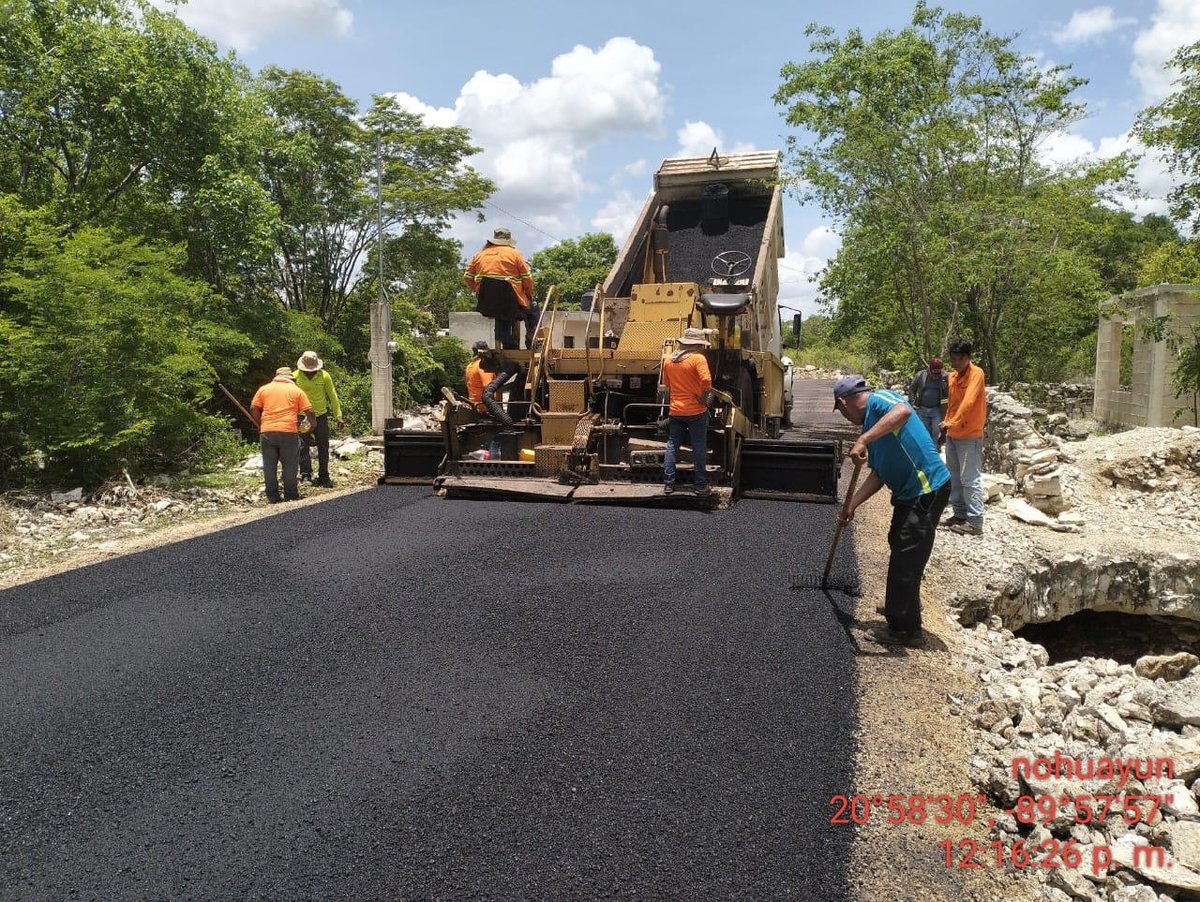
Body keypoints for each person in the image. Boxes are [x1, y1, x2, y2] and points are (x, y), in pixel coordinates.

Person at [833, 375, 951, 646]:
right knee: (899, 542)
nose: (844, 417)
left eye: (841, 411)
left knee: (907, 553)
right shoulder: (871, 426)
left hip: (926, 488)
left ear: (843, 402)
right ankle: (903, 605)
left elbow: (904, 411)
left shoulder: (882, 401)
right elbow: (879, 474)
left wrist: (863, 438)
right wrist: (852, 505)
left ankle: (906, 630)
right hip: (908, 493)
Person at [938, 339, 988, 536]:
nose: (956, 363)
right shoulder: (951, 377)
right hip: (953, 434)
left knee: (970, 478)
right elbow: (951, 404)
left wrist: (950, 423)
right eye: (953, 359)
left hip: (970, 435)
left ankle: (975, 522)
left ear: (969, 358)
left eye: (960, 359)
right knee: (954, 477)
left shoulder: (977, 374)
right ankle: (959, 514)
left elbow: (968, 402)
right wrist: (947, 426)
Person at [463, 228, 538, 350]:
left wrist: (478, 292)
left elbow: (467, 277)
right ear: (508, 241)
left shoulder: (479, 255)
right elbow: (527, 278)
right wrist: (529, 294)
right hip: (512, 302)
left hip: (487, 303)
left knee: (501, 313)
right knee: (533, 307)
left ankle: (507, 342)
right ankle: (532, 338)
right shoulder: (514, 253)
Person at [661, 328, 714, 497]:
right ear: (696, 345)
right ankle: (700, 484)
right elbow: (706, 380)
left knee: (672, 446)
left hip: (676, 411)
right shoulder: (698, 358)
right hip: (696, 411)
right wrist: (704, 397)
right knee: (698, 446)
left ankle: (668, 483)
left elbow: (666, 385)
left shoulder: (668, 361)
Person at [250, 367, 316, 504]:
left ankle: (272, 495)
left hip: (267, 431)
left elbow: (254, 408)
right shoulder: (296, 391)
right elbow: (309, 410)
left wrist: (260, 424)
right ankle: (290, 494)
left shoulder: (264, 389)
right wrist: (313, 424)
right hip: (288, 431)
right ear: (291, 379)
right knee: (290, 464)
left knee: (269, 465)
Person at [293, 350, 344, 488]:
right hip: (303, 417)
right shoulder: (295, 376)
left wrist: (338, 415)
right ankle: (305, 475)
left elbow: (332, 396)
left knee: (323, 445)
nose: (310, 372)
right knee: (303, 446)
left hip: (320, 416)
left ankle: (324, 475)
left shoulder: (324, 376)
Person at [908, 357, 948, 442]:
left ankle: (934, 448)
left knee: (936, 430)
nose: (936, 376)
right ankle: (926, 448)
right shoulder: (921, 375)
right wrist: (912, 403)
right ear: (929, 369)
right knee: (924, 431)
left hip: (937, 409)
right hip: (922, 408)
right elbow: (912, 389)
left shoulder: (946, 377)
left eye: (938, 373)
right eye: (934, 373)